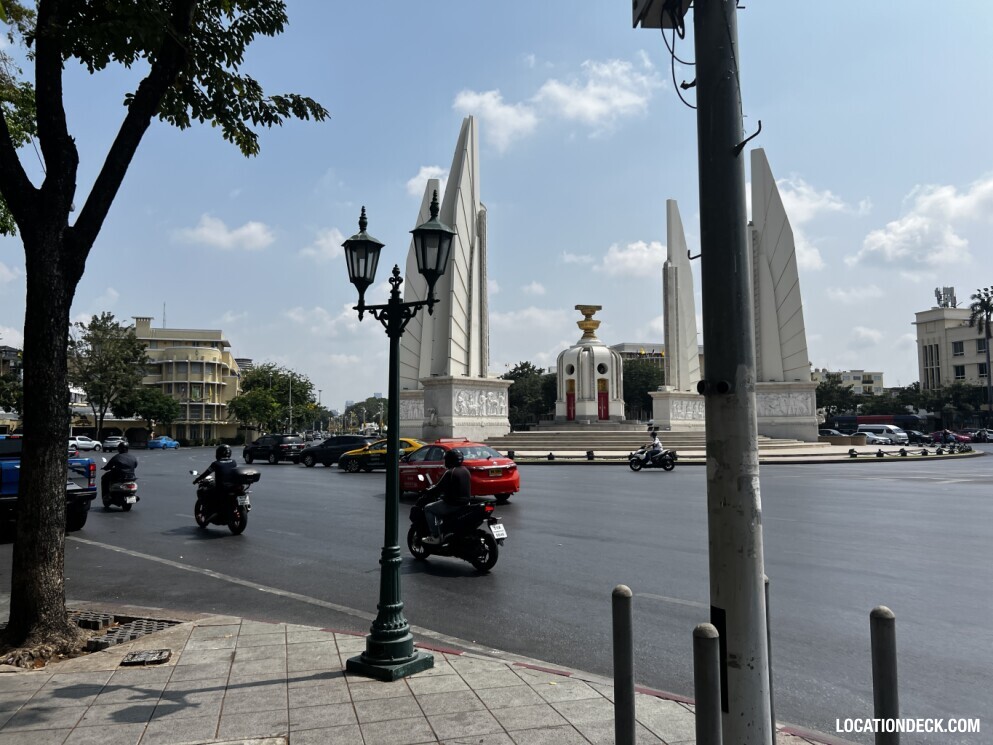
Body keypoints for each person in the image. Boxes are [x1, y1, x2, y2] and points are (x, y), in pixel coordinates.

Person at [422, 449, 471, 544]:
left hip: (452, 504)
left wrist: (427, 491)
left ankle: (435, 536)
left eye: (446, 460)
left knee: (428, 508)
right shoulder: (465, 470)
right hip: (466, 503)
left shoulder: (450, 472)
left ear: (449, 460)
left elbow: (438, 488)